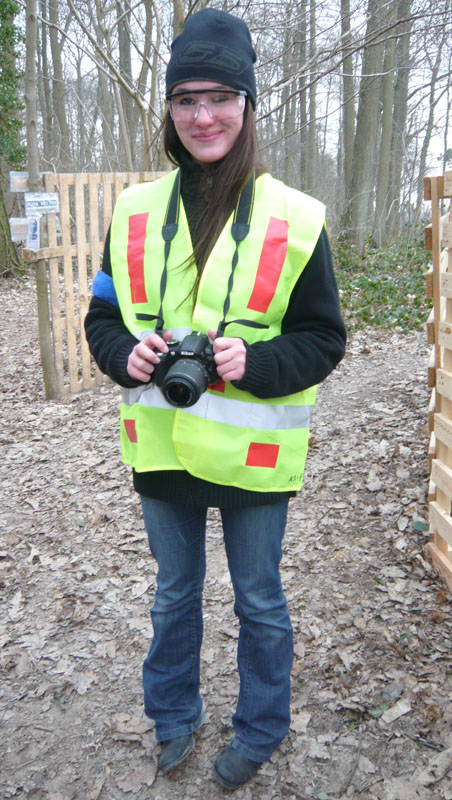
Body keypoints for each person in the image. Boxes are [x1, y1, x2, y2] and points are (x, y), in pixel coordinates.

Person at [85, 7, 346, 791]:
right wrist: (123, 355)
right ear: (168, 110)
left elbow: (324, 339)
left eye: (220, 96)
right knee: (173, 598)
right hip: (162, 449)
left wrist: (255, 362)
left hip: (256, 455)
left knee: (260, 602)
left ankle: (261, 726)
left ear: (248, 104)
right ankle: (173, 717)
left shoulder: (297, 219)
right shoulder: (132, 212)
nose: (203, 116)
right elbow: (102, 318)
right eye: (186, 99)